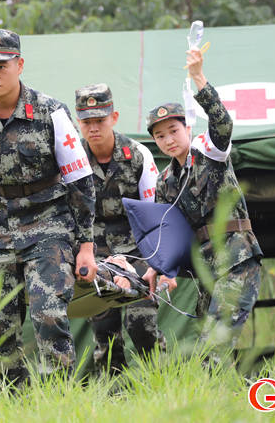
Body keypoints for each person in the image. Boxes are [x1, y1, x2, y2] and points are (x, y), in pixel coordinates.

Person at [0, 29, 97, 384]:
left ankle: (58, 401)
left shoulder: (51, 112)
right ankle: (10, 404)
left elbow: (80, 181)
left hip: (47, 225)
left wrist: (87, 246)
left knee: (49, 316)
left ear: (19, 64)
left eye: (0, 66)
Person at [144, 48, 263, 354]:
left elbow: (222, 123)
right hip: (206, 270)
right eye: (160, 136)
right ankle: (230, 399)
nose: (168, 139)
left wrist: (198, 76)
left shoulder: (210, 155)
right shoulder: (165, 182)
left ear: (187, 128)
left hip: (236, 259)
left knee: (214, 345)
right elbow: (165, 233)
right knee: (205, 350)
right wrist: (159, 269)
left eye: (173, 130)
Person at [74, 83, 170, 375]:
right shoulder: (70, 158)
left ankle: (163, 385)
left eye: (100, 120)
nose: (93, 128)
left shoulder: (137, 155)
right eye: (87, 122)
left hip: (137, 251)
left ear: (113, 117)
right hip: (94, 254)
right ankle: (112, 397)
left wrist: (161, 263)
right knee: (105, 333)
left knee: (141, 324)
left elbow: (154, 213)